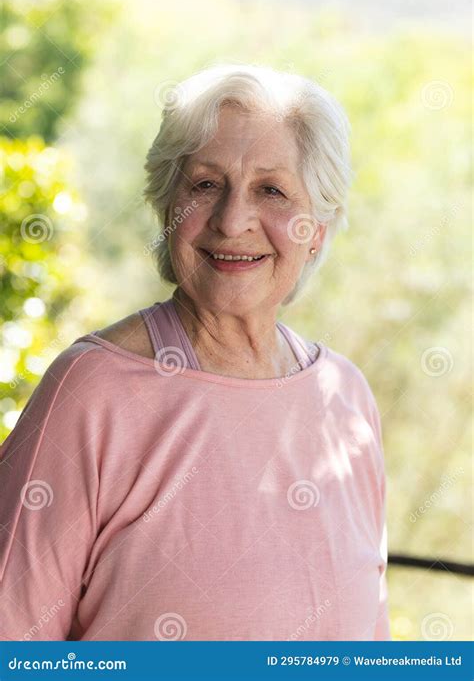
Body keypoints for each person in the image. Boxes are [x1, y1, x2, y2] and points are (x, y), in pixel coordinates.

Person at [0, 63, 390, 641]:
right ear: (166, 207)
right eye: (206, 185)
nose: (233, 221)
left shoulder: (347, 401)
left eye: (272, 190)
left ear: (319, 228)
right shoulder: (91, 391)